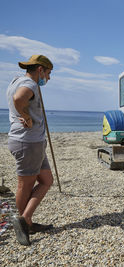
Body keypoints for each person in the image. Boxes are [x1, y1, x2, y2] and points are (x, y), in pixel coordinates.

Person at [7, 55, 54, 246]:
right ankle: (24, 223)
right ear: (40, 70)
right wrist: (26, 116)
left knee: (46, 180)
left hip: (33, 142)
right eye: (48, 74)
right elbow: (19, 99)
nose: (48, 79)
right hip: (28, 142)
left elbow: (18, 98)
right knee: (24, 185)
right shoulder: (31, 84)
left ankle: (26, 220)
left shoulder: (15, 81)